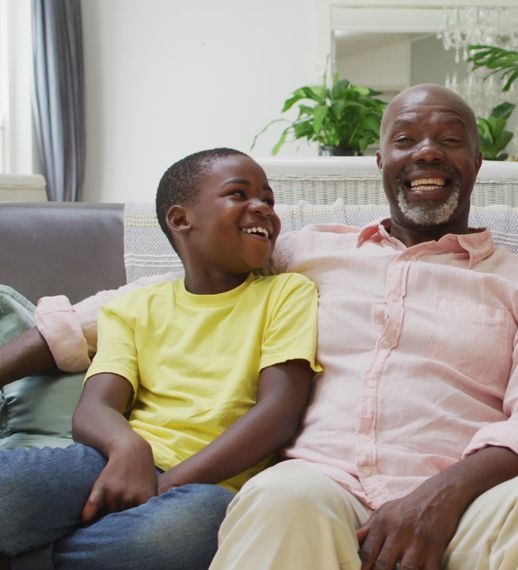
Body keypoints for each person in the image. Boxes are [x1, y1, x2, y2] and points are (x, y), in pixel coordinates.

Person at [0, 85, 518, 570]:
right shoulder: (303, 252)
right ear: (381, 160)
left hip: (471, 496)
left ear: (477, 160)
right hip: (325, 484)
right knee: (279, 498)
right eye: (406, 139)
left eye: (450, 139)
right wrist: (19, 353)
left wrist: (443, 495)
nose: (427, 151)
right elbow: (150, 300)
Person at [0, 148, 321, 569]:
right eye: (238, 194)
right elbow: (95, 407)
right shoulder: (133, 308)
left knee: (197, 525)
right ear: (180, 219)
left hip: (205, 487)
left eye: (268, 199)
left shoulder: (287, 293)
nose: (262, 207)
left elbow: (278, 414)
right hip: (110, 462)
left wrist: (165, 484)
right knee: (12, 483)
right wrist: (126, 446)